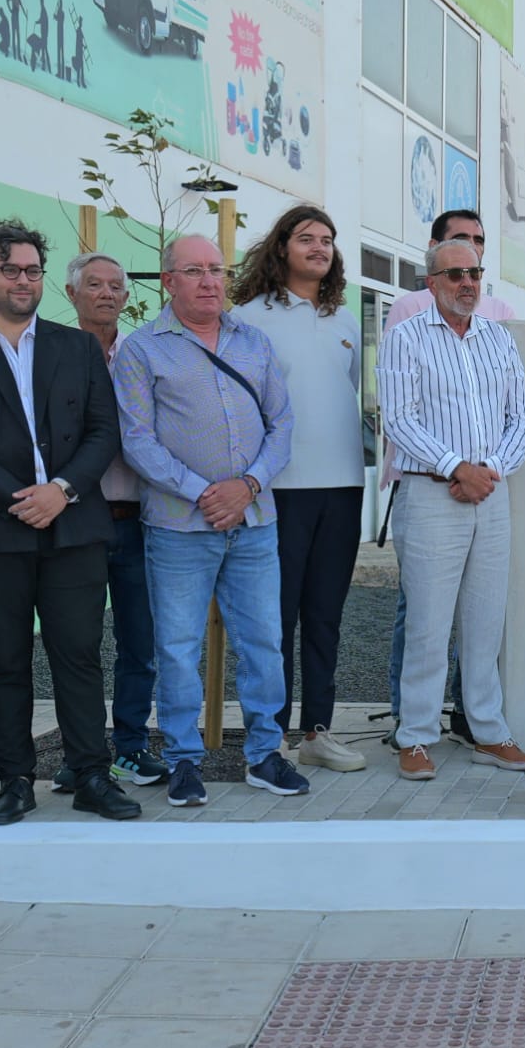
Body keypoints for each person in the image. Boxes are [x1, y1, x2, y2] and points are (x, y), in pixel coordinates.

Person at [0, 219, 138, 826]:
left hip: (73, 524)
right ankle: (14, 779)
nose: (22, 280)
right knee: (4, 659)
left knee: (79, 654)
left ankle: (92, 773)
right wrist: (23, 497)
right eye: (10, 270)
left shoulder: (77, 347)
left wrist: (60, 491)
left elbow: (103, 430)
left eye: (32, 270)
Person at [113, 234, 310, 806]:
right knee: (176, 646)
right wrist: (205, 493)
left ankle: (264, 756)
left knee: (264, 643)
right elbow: (137, 441)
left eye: (215, 270)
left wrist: (246, 486)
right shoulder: (141, 350)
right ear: (168, 281)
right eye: (193, 271)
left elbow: (283, 426)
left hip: (255, 521)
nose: (208, 281)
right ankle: (182, 761)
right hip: (178, 528)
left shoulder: (255, 343)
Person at [377, 237, 525, 780]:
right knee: (427, 621)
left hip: (490, 494)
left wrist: (488, 470)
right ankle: (416, 736)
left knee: (485, 620)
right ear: (432, 282)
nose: (467, 283)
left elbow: (524, 419)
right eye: (455, 275)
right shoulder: (404, 337)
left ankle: (488, 732)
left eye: (475, 273)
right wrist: (455, 467)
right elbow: (398, 419)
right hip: (430, 494)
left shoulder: (499, 339)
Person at [230, 205, 367, 774]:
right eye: (307, 238)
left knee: (325, 614)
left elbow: (348, 394)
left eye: (328, 240)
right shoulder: (248, 318)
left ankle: (317, 731)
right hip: (279, 489)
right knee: (274, 617)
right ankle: (271, 733)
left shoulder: (344, 320)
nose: (319, 247)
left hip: (343, 486)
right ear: (281, 246)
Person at [58, 252, 168, 789]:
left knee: (139, 640)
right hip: (75, 519)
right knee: (76, 644)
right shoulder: (51, 356)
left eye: (116, 286)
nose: (106, 293)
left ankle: (130, 745)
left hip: (137, 517)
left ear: (127, 297)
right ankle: (79, 753)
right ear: (71, 293)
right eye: (94, 284)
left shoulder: (143, 353)